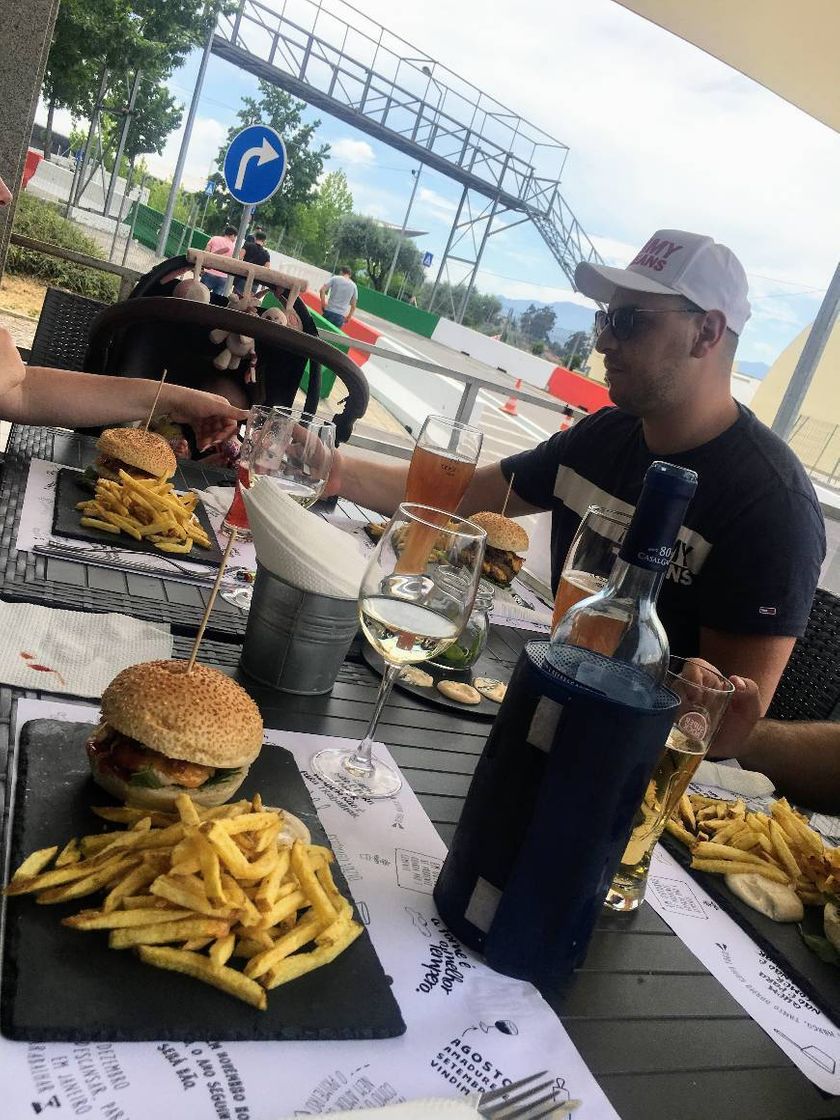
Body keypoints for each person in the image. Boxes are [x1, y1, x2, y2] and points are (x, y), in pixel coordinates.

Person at [323, 229, 835, 804]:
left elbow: (718, 727)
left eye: (630, 320)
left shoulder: (771, 504)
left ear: (707, 333)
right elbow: (463, 500)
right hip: (541, 711)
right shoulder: (601, 436)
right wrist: (331, 467)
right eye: (604, 320)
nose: (604, 343)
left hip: (629, 785)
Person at [201, 226, 237, 295]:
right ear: (232, 235)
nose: (235, 239)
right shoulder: (234, 248)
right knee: (215, 300)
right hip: (223, 277)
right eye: (235, 237)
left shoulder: (214, 239)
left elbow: (206, 253)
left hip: (209, 272)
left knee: (201, 295)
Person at [234, 230, 270, 295]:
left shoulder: (247, 245)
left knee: (235, 299)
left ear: (255, 237)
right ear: (264, 241)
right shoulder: (266, 254)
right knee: (247, 302)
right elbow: (266, 269)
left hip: (242, 277)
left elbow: (240, 257)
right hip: (255, 281)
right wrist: (263, 285)